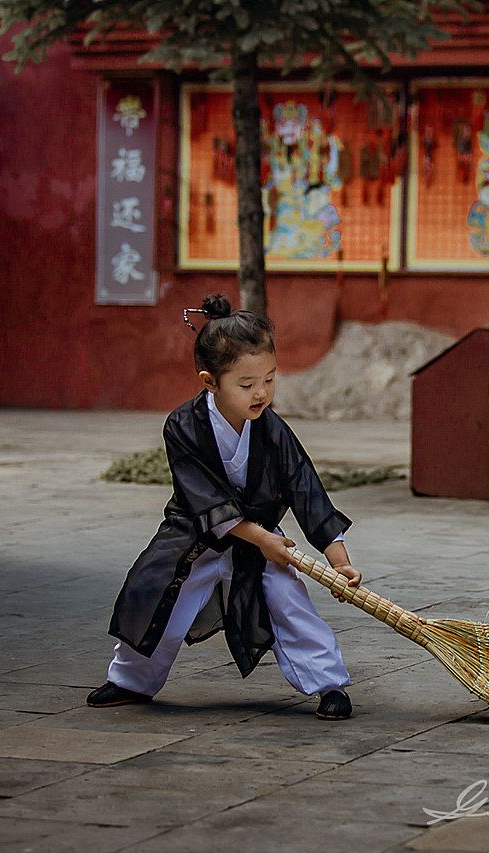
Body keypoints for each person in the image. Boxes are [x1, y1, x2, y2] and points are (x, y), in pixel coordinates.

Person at [86, 294, 362, 719]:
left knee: (289, 601)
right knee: (160, 601)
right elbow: (203, 496)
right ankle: (130, 680)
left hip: (260, 544)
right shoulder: (182, 426)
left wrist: (338, 561)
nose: (262, 393)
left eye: (269, 379)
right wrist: (263, 539)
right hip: (192, 539)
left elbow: (306, 490)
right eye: (247, 384)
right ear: (209, 381)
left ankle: (329, 684)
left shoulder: (272, 431)